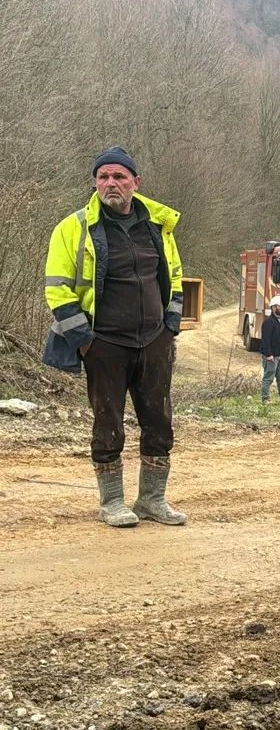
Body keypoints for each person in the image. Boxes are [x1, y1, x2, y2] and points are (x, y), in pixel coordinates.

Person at [43, 146, 187, 528]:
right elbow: (57, 290)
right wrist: (87, 342)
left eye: (119, 177)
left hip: (154, 342)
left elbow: (174, 278)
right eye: (103, 176)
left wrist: (170, 327)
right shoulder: (73, 228)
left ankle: (152, 500)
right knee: (108, 425)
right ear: (95, 182)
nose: (111, 183)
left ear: (136, 183)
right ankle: (111, 503)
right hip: (105, 344)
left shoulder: (158, 226)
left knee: (159, 423)